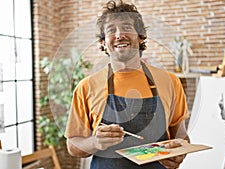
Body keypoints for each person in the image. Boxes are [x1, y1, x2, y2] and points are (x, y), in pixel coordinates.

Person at [65, 0, 190, 168]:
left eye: (127, 27)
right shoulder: (86, 87)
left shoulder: (170, 82)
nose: (119, 35)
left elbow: (180, 134)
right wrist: (95, 142)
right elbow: (73, 146)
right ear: (103, 42)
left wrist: (178, 151)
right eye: (111, 30)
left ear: (140, 36)